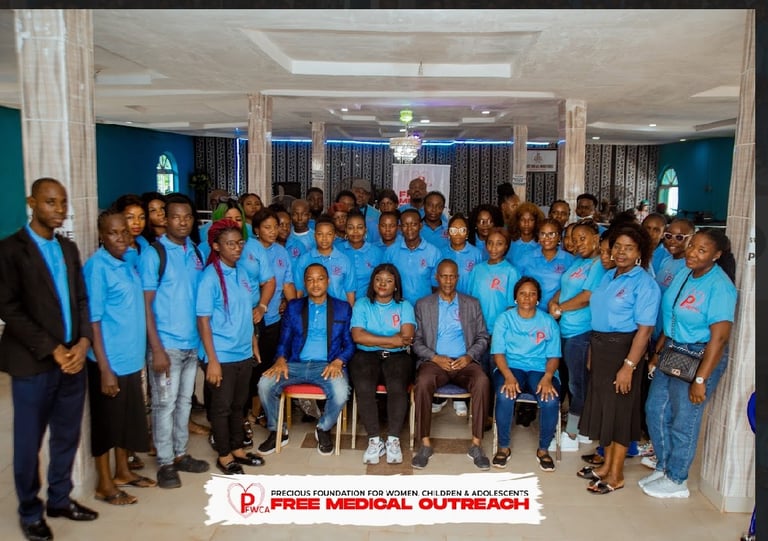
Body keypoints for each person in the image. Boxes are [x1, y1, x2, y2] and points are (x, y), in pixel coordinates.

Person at [0, 178, 98, 541]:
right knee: (28, 443)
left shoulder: (67, 248)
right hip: (34, 364)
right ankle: (30, 511)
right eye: (50, 202)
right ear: (32, 203)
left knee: (67, 435)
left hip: (73, 359)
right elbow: (8, 308)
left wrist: (84, 341)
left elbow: (82, 300)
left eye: (63, 203)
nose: (59, 210)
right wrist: (53, 348)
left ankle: (59, 498)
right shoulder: (10, 250)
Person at [641, 229, 737, 499]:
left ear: (716, 255)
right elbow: (671, 315)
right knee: (655, 409)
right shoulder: (685, 272)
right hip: (673, 348)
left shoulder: (720, 286)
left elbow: (719, 339)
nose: (692, 252)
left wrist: (700, 379)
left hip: (699, 355)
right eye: (692, 245)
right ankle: (663, 466)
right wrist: (658, 351)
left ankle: (677, 479)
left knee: (684, 419)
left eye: (701, 250)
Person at [577, 223, 660, 494]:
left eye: (629, 248)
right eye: (618, 247)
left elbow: (644, 330)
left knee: (621, 413)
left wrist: (628, 366)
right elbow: (599, 316)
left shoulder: (644, 284)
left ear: (640, 252)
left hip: (624, 352)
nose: (621, 252)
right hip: (601, 348)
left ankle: (617, 474)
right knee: (606, 411)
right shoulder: (608, 275)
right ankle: (606, 466)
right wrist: (593, 350)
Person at [139, 193, 210, 489]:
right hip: (166, 345)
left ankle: (180, 453)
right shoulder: (154, 254)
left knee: (184, 402)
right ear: (165, 220)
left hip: (192, 343)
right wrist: (156, 348)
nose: (182, 222)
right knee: (164, 404)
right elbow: (145, 305)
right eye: (176, 217)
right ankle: (165, 462)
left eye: (187, 217)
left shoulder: (195, 251)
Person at [85, 210, 155, 506]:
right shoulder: (96, 267)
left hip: (130, 358)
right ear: (102, 236)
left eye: (125, 232)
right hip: (109, 361)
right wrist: (104, 369)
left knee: (125, 420)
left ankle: (123, 471)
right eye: (114, 233)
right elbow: (94, 321)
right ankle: (104, 484)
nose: (121, 238)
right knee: (106, 425)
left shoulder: (128, 260)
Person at [257, 263, 354, 455]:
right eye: (310, 280)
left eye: (320, 279)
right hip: (295, 364)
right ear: (304, 283)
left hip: (327, 365)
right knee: (264, 384)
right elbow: (284, 340)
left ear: (328, 281)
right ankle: (278, 431)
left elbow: (350, 344)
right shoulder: (294, 307)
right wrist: (280, 358)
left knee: (341, 392)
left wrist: (339, 360)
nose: (315, 284)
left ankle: (323, 428)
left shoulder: (342, 308)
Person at [197, 219, 266, 475]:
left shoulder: (242, 273)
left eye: (239, 243)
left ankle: (238, 449)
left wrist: (253, 342)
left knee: (239, 405)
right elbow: (203, 321)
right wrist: (212, 361)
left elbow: (247, 313)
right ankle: (224, 455)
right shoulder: (209, 278)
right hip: (221, 354)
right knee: (222, 407)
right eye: (230, 244)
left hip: (243, 351)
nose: (237, 248)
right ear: (216, 246)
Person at [411, 259, 491, 470]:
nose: (448, 281)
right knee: (423, 382)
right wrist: (435, 357)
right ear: (436, 278)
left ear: (458, 278)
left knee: (482, 381)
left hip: (464, 361)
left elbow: (483, 336)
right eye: (444, 276)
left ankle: (476, 444)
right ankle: (424, 444)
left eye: (452, 276)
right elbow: (416, 342)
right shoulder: (423, 305)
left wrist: (469, 356)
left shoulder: (471, 304)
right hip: (435, 362)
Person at [491, 277, 561, 471]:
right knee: (505, 395)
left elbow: (554, 356)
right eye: (522, 293)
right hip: (510, 367)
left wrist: (548, 377)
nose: (527, 298)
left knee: (550, 399)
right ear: (516, 297)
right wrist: (508, 376)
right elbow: (498, 353)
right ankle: (503, 447)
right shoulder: (504, 319)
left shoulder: (548, 322)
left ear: (538, 298)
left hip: (540, 369)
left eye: (532, 294)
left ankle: (543, 449)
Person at [349, 264, 415, 464]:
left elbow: (406, 338)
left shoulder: (404, 306)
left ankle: (393, 440)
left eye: (388, 281)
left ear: (396, 285)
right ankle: (374, 440)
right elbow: (357, 336)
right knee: (363, 387)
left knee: (397, 386)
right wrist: (392, 340)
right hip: (365, 355)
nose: (382, 284)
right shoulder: (362, 304)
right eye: (378, 280)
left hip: (398, 357)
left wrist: (373, 339)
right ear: (372, 282)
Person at [548, 220, 606, 448]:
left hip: (581, 331)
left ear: (596, 238)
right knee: (567, 380)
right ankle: (577, 427)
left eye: (583, 238)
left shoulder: (598, 265)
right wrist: (553, 302)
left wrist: (560, 308)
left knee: (577, 383)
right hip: (565, 329)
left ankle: (573, 433)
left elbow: (586, 297)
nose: (578, 243)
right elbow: (565, 287)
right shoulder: (579, 262)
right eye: (574, 239)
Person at [382, 208, 441, 305]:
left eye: (414, 224)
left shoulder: (434, 253)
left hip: (425, 307)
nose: (409, 229)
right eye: (405, 225)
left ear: (420, 226)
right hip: (397, 306)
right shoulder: (391, 251)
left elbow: (436, 287)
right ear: (400, 228)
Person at [294, 216, 356, 306]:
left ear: (334, 236)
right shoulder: (304, 260)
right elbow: (299, 291)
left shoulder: (344, 260)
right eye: (320, 234)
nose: (324, 238)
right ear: (314, 236)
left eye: (329, 234)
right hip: (311, 310)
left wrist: (349, 311)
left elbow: (350, 292)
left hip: (338, 310)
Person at [518, 218, 574, 308]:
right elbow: (517, 285)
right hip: (530, 310)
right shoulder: (527, 257)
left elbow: (571, 288)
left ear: (559, 237)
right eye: (542, 234)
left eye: (551, 234)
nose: (546, 238)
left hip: (557, 310)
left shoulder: (570, 260)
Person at [339, 210, 383, 301]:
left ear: (365, 230)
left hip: (368, 303)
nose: (355, 231)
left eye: (359, 227)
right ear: (345, 230)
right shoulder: (337, 250)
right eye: (351, 228)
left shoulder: (377, 252)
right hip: (340, 303)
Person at [442, 213, 483, 296]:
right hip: (447, 299)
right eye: (454, 230)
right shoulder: (441, 253)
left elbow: (480, 281)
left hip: (470, 300)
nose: (458, 234)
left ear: (467, 233)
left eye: (462, 230)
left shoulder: (477, 254)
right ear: (448, 233)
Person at [506, 202, 544, 266]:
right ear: (517, 222)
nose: (526, 223)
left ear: (537, 222)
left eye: (531, 220)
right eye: (522, 220)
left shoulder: (542, 245)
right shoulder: (509, 245)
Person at [349, 177, 381, 244]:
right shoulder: (345, 211)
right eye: (357, 191)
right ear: (351, 192)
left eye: (365, 193)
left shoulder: (377, 215)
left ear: (369, 196)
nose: (360, 195)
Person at [642, 213, 671, 277]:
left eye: (656, 230)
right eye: (647, 228)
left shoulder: (667, 258)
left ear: (663, 234)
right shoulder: (633, 251)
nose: (650, 233)